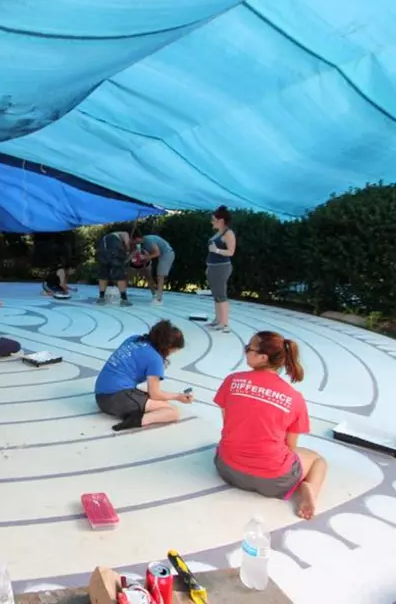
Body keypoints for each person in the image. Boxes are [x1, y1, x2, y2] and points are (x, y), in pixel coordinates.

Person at [213, 331, 326, 520]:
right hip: (273, 481)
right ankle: (309, 489)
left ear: (263, 357)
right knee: (317, 460)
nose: (246, 351)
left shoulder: (232, 381)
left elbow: (229, 425)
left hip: (227, 468)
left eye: (249, 348)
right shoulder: (294, 398)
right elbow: (290, 447)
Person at [94, 320, 192, 431]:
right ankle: (137, 420)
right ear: (167, 346)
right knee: (172, 412)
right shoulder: (155, 359)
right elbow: (155, 394)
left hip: (100, 393)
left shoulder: (134, 339)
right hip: (114, 399)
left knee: (151, 398)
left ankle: (133, 410)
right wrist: (178, 397)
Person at [206, 205, 236, 332]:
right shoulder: (218, 233)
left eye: (213, 220)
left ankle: (224, 324)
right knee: (216, 295)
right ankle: (218, 320)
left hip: (221, 267)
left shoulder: (228, 233)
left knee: (221, 294)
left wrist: (217, 250)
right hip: (213, 267)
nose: (211, 222)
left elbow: (231, 252)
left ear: (221, 220)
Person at [133, 233, 175, 304]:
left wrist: (145, 257)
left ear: (137, 238)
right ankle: (156, 296)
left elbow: (157, 253)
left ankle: (159, 299)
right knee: (156, 276)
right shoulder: (142, 244)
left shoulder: (148, 240)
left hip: (167, 254)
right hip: (161, 255)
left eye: (133, 240)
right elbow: (148, 257)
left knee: (160, 276)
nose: (133, 242)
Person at [95, 230, 132, 307]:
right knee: (119, 273)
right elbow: (127, 244)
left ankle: (101, 298)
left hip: (102, 250)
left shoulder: (106, 237)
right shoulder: (125, 233)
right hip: (114, 251)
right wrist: (128, 252)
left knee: (103, 273)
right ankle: (124, 299)